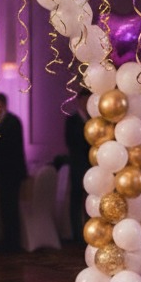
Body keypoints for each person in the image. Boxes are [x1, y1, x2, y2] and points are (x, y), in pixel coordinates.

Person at [0, 92, 28, 251]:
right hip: (6, 171)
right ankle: (8, 240)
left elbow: (2, 146)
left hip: (10, 171)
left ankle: (11, 243)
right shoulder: (2, 121)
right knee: (6, 206)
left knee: (9, 207)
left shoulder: (11, 122)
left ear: (0, 104)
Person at [64, 89, 90, 240]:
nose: (86, 103)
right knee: (76, 199)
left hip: (91, 166)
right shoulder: (72, 120)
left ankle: (90, 231)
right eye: (84, 100)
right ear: (79, 101)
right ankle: (77, 234)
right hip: (78, 165)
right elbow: (71, 142)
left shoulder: (93, 120)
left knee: (90, 200)